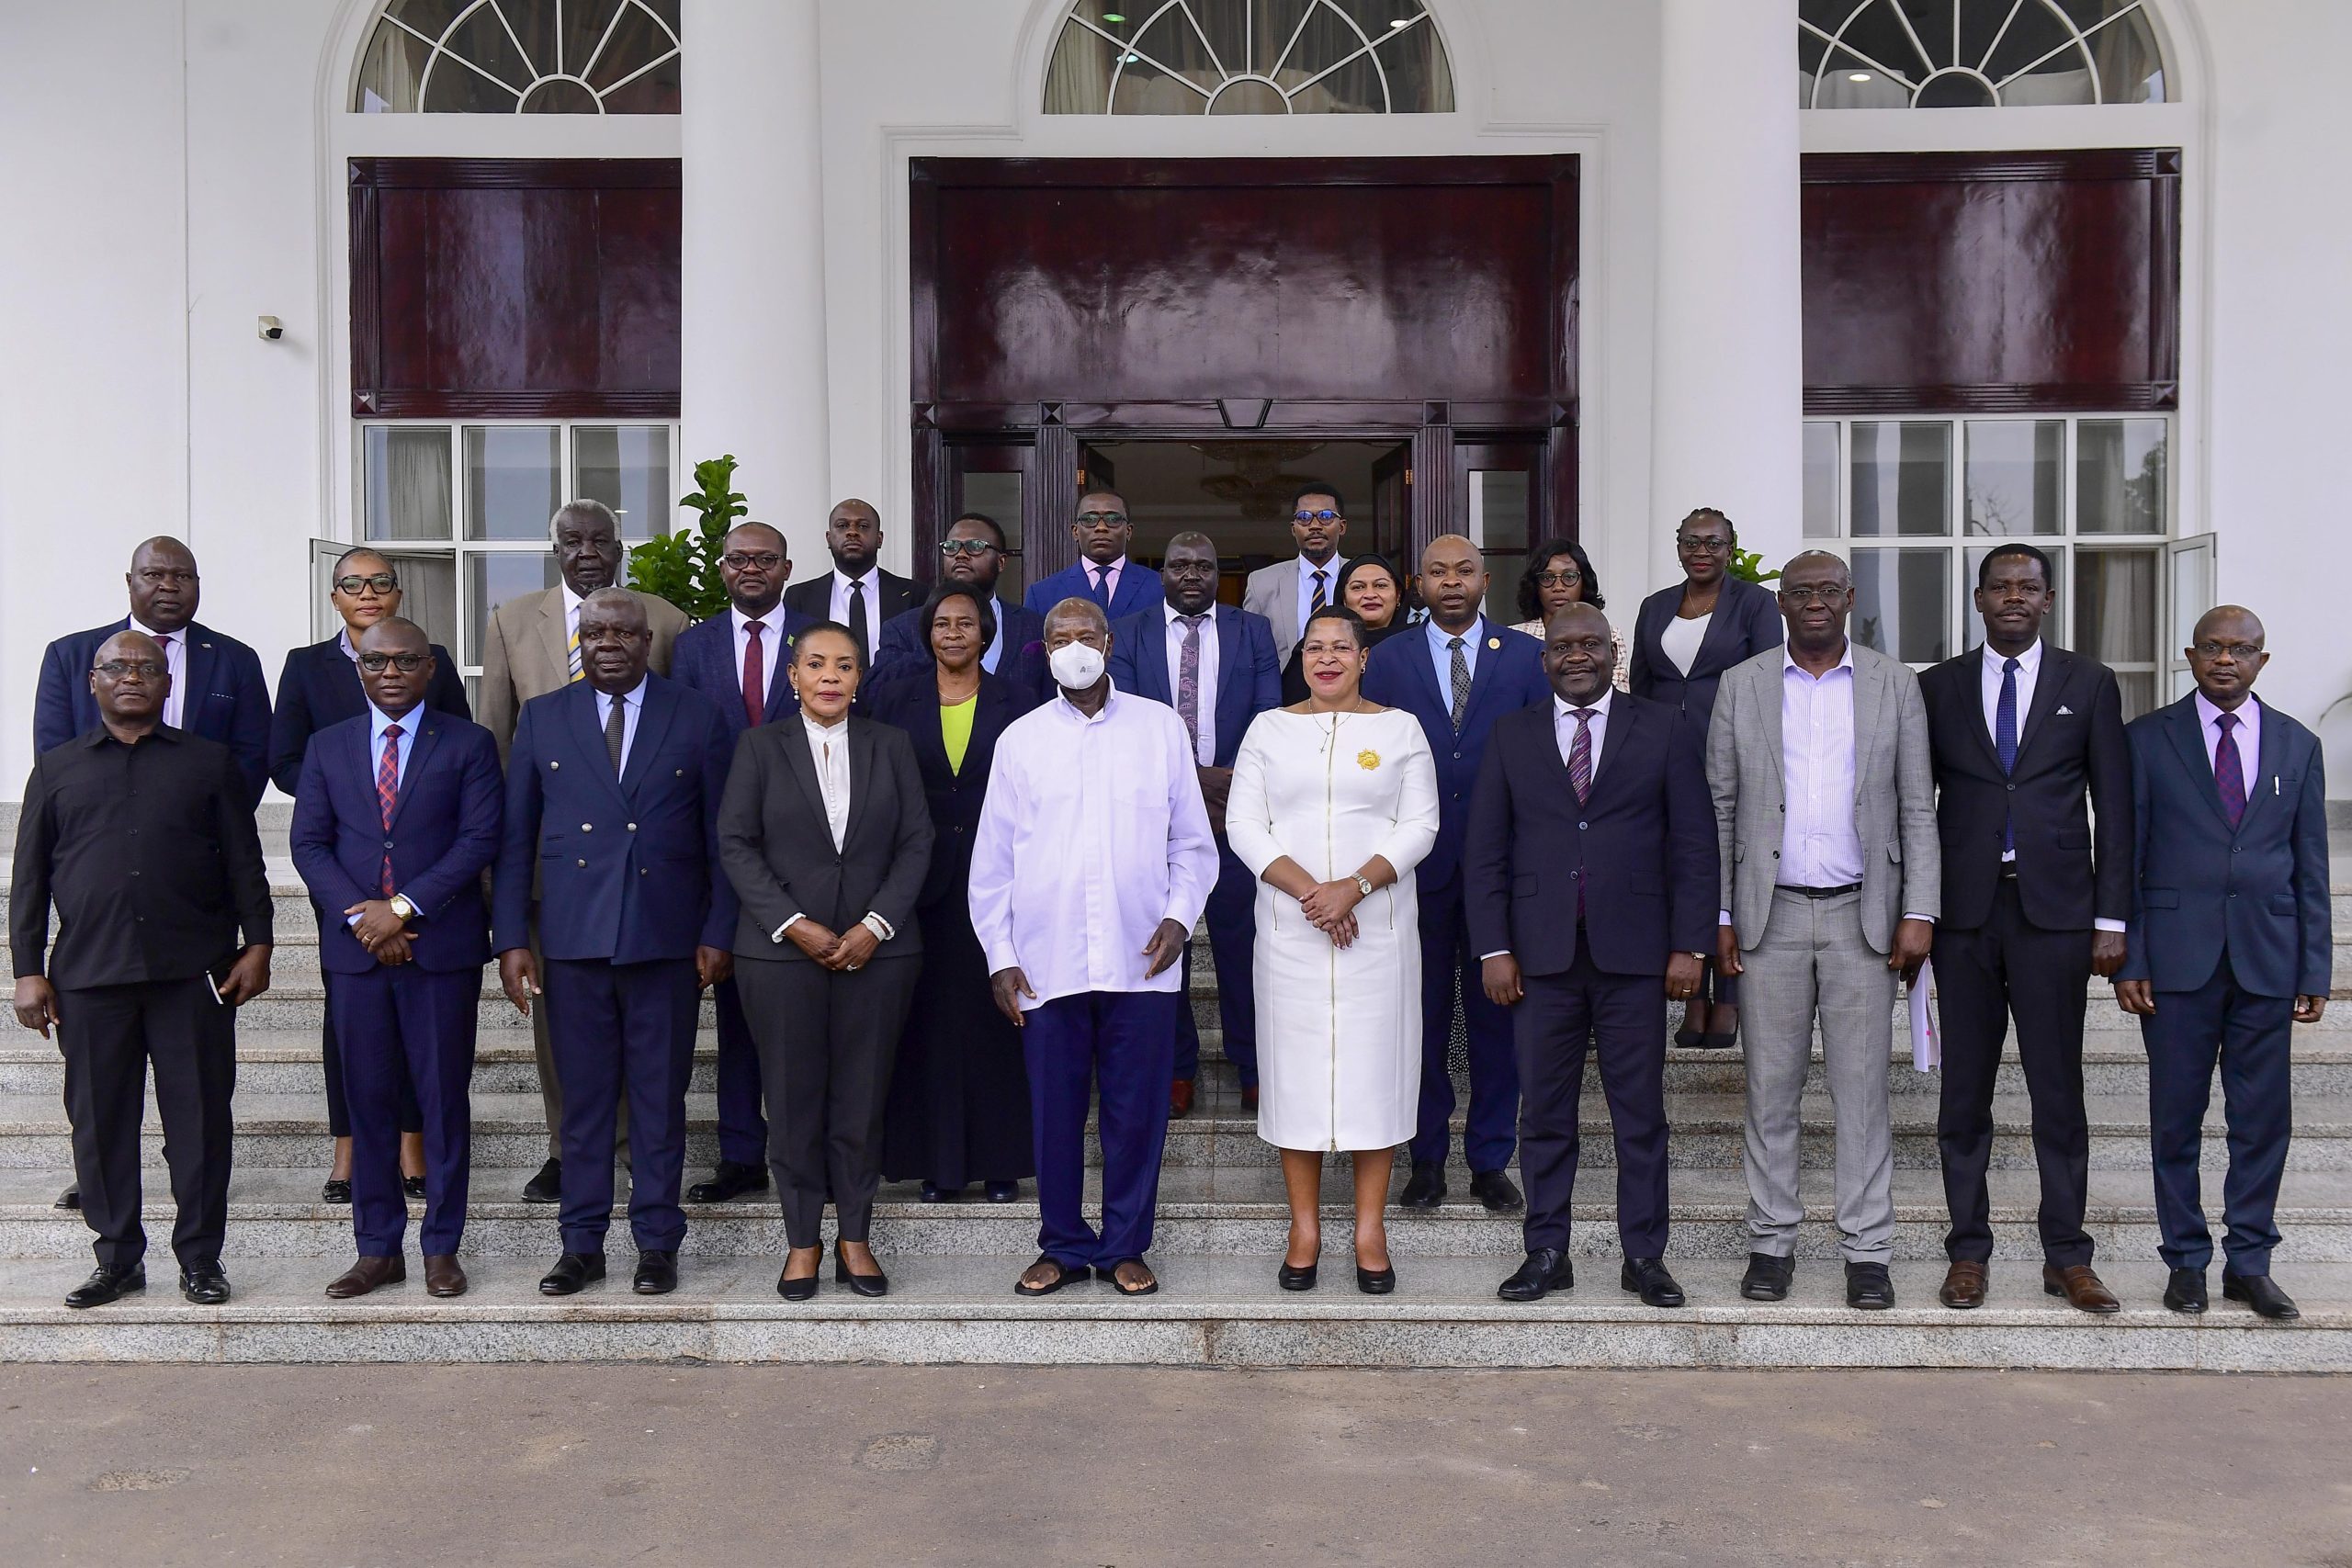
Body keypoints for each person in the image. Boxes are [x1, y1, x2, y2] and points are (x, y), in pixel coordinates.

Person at [11, 630, 273, 1309]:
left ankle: (200, 1260)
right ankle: (118, 1258)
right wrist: (26, 970)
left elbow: (246, 863)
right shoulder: (57, 768)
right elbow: (31, 878)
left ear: (167, 684)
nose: (132, 677)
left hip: (194, 974)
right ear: (93, 682)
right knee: (100, 1124)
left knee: (201, 1123)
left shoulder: (210, 763)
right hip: (90, 977)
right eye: (117, 668)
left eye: (148, 668)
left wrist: (261, 942)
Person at [1466, 604, 1716, 1307]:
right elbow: (1486, 851)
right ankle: (1547, 1250)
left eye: (1589, 645)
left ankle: (1645, 1257)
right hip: (1539, 959)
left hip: (1636, 956)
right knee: (1544, 1115)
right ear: (1544, 661)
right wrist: (1495, 947)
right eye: (1561, 646)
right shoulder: (1511, 733)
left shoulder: (1663, 725)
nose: (1576, 656)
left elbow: (1694, 845)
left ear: (1614, 653)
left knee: (1639, 1116)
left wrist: (1689, 943)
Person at [1708, 550, 1938, 1310]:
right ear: (1780, 602)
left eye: (1827, 591)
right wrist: (1720, 912)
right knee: (1770, 1089)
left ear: (1848, 599)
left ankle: (1867, 1250)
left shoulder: (1893, 683)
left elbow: (1916, 806)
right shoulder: (1742, 685)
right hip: (1767, 914)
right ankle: (1771, 1243)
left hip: (1860, 914)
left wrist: (1918, 909)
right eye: (1799, 591)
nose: (1814, 602)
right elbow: (1721, 806)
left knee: (1862, 1092)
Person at [492, 589, 737, 1299]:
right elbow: (515, 842)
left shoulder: (695, 715)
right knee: (587, 1101)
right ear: (579, 641)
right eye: (594, 631)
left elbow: (722, 838)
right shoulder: (543, 718)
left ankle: (657, 1242)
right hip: (573, 940)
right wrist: (511, 939)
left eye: (623, 632)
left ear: (645, 639)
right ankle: (581, 1244)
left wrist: (718, 931)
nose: (607, 642)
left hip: (666, 940)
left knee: (660, 1100)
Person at [969, 598, 1218, 1299]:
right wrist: (1000, 954)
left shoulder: (1159, 728)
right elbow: (992, 863)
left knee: (1136, 1111)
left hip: (1143, 957)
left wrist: (1178, 918)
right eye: (1059, 636)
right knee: (1052, 1110)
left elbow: (1192, 845)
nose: (1073, 644)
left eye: (1085, 634)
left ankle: (1124, 1245)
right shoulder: (1020, 739)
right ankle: (1062, 1243)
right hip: (1046, 961)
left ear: (1110, 643)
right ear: (1041, 649)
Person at [1919, 543, 2132, 1314]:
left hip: (2057, 916)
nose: (2013, 597)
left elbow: (2117, 806)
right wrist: (1917, 911)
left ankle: (2067, 1256)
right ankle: (1967, 1252)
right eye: (1999, 586)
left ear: (2048, 599)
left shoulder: (2090, 682)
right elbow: (1916, 806)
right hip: (1965, 915)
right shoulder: (1937, 687)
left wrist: (2112, 918)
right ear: (1978, 599)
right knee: (1964, 1096)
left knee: (2058, 1091)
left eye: (2028, 587)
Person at [2118, 606, 2331, 1321]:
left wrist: (2314, 968)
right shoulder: (2146, 740)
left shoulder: (2298, 745)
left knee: (2262, 1121)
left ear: (2262, 661)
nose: (2226, 659)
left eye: (2241, 649)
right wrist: (2131, 954)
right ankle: (2185, 1261)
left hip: (2268, 960)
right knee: (2175, 1118)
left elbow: (2311, 865)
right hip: (2176, 963)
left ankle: (2250, 1262)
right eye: (2212, 647)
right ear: (2189, 655)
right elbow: (2129, 857)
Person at [476, 498, 689, 1203]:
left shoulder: (663, 618)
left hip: (642, 860)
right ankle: (568, 1149)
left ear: (620, 546)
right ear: (555, 547)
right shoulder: (512, 620)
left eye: (601, 539)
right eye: (573, 540)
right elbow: (499, 743)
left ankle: (630, 1149)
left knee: (642, 1028)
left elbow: (674, 733)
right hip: (552, 861)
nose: (588, 550)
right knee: (561, 1031)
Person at [1226, 604, 1438, 1294]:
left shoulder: (1400, 729)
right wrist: (1314, 893)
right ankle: (1305, 1226)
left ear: (1363, 656)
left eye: (1340, 647)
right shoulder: (1269, 728)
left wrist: (1354, 886)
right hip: (1292, 933)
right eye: (1314, 647)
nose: (1326, 658)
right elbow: (1245, 825)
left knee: (1377, 1073)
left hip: (1376, 930)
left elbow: (1421, 824)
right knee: (1297, 1077)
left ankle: (1370, 1228)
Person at [288, 619, 502, 1301]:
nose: (389, 670)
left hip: (438, 952)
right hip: (356, 956)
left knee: (441, 1101)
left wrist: (402, 908)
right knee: (369, 1102)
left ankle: (442, 1246)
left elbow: (477, 839)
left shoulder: (469, 743)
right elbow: (310, 846)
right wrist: (364, 916)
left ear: (430, 666)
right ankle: (376, 1249)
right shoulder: (326, 747)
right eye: (375, 659)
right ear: (359, 669)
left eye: (406, 659)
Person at [719, 621, 933, 1299]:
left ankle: (856, 1239)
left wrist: (874, 924)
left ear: (860, 677)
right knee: (792, 1100)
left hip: (881, 951)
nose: (831, 676)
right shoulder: (758, 747)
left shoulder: (890, 745)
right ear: (794, 676)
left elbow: (917, 842)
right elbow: (736, 843)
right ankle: (803, 1241)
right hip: (781, 956)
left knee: (862, 1100)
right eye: (817, 664)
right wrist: (793, 924)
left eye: (844, 664)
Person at [270, 547, 469, 1206]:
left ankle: (420, 1173)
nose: (367, 592)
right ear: (335, 597)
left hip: (425, 900)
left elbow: (466, 787)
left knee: (431, 1061)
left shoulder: (426, 664)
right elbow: (290, 768)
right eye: (353, 583)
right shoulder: (307, 668)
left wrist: (402, 906)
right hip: (351, 889)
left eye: (380, 581)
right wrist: (352, 803)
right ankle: (352, 1154)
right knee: (354, 1043)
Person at [1362, 535, 1550, 1213]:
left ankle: (1491, 1158)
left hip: (1502, 873)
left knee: (1498, 1023)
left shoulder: (1528, 656)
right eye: (1437, 571)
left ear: (1485, 579)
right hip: (1410, 872)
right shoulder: (1385, 659)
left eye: (1463, 570)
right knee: (1419, 1019)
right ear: (1419, 582)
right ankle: (1426, 1157)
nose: (1451, 581)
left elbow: (1544, 763)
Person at [868, 587, 1041, 1202]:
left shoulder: (1020, 701)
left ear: (986, 633)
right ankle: (935, 1166)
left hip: (1002, 882)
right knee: (928, 1026)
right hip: (919, 886)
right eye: (942, 623)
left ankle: (1001, 1164)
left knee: (997, 1025)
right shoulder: (892, 699)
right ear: (926, 633)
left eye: (966, 622)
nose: (954, 632)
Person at [1108, 531, 1283, 1118]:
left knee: (1242, 947)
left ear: (1217, 574)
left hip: (1237, 814)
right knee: (1165, 945)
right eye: (1179, 564)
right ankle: (1178, 1069)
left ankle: (1254, 1065)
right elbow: (1127, 722)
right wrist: (1192, 782)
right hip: (1156, 817)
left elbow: (1267, 719)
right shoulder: (1129, 631)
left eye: (1203, 566)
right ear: (1161, 571)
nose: (1190, 575)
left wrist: (1222, 787)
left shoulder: (1250, 630)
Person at [669, 521, 811, 1205]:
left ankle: (806, 1148)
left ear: (787, 568)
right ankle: (739, 1152)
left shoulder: (818, 641)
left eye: (764, 559)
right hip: (722, 848)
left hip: (812, 847)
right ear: (722, 570)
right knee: (736, 1012)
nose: (750, 568)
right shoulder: (691, 646)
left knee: (808, 1013)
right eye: (738, 559)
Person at [1628, 508, 1783, 1049]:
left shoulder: (1756, 603)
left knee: (1729, 863)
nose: (1701, 551)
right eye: (1691, 541)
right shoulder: (1655, 606)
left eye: (1713, 542)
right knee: (1683, 864)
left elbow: (1769, 679)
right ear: (1678, 546)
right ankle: (1694, 1000)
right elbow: (1641, 686)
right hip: (1666, 752)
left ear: (1731, 547)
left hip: (1733, 747)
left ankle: (1730, 1000)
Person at [34, 536, 270, 810]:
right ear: (129, 581)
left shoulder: (237, 659)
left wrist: (223, 821)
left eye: (182, 576)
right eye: (154, 574)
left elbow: (253, 754)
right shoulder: (69, 656)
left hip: (200, 834)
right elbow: (52, 753)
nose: (169, 586)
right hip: (95, 830)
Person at [873, 512, 1049, 702]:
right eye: (951, 547)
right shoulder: (902, 628)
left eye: (975, 547)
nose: (961, 555)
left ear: (1001, 562)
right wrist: (939, 646)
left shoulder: (1033, 626)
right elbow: (878, 691)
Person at [780, 498, 919, 667]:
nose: (852, 532)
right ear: (828, 538)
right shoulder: (799, 597)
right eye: (842, 525)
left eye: (863, 526)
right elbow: (792, 658)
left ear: (880, 538)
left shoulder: (914, 595)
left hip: (895, 692)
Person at [1241, 480, 1352, 667]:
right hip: (1284, 693)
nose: (1315, 525)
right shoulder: (1261, 583)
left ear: (1342, 526)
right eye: (1304, 517)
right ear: (1293, 529)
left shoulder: (1361, 577)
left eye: (1325, 516)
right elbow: (1248, 650)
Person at [1279, 552, 1413, 705]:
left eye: (1380, 585)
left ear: (1398, 595)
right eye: (1358, 587)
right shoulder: (1314, 646)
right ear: (1343, 598)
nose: (1370, 594)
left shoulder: (1419, 644)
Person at [1507, 539, 1628, 693]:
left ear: (1584, 582)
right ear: (1535, 585)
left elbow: (1617, 698)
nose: (1558, 587)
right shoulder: (1515, 637)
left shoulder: (1610, 635)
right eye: (1547, 578)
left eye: (1569, 577)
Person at [1022, 491, 1163, 621]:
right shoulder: (1042, 594)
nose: (1101, 527)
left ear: (1128, 531)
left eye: (1113, 519)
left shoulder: (1159, 587)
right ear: (1075, 531)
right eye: (1089, 519)